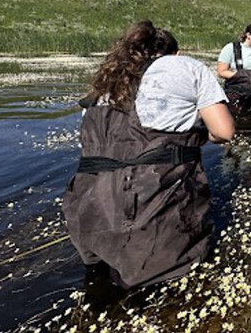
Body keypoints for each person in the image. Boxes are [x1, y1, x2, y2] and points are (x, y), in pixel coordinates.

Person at [63, 21, 234, 289]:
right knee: (164, 294)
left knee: (98, 291)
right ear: (175, 53)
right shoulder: (186, 67)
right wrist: (197, 136)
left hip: (87, 215)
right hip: (149, 218)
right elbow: (224, 132)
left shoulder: (106, 80)